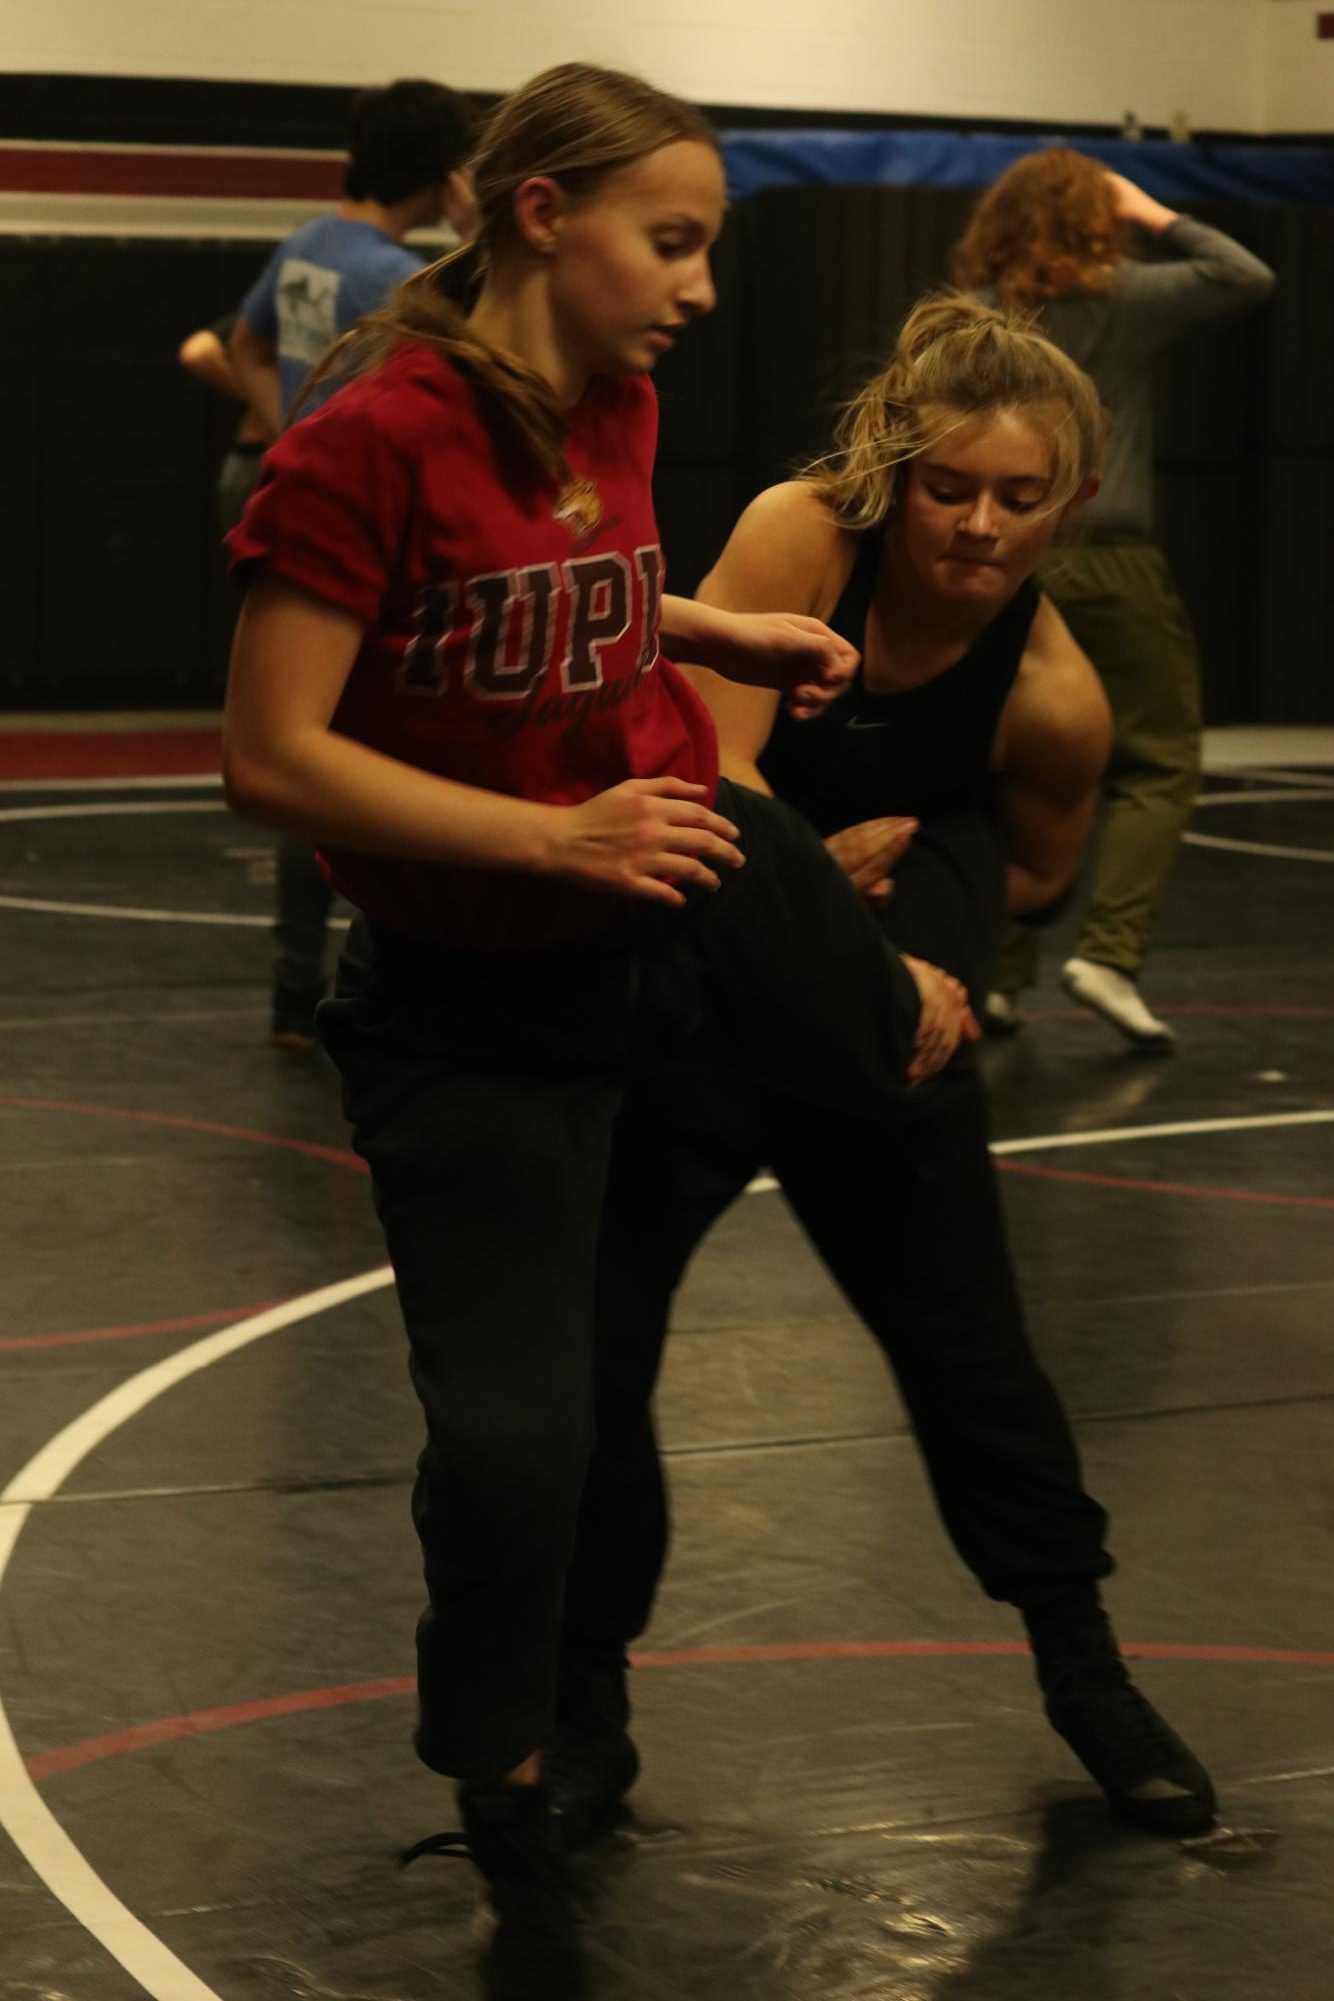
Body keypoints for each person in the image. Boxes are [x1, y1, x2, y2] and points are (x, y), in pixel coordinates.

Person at [222, 64, 973, 2000]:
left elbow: (586, 603)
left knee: (903, 1058)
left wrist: (715, 635)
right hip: (480, 995)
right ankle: (498, 1748)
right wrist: (543, 833)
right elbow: (269, 758)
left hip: (681, 885)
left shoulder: (612, 401)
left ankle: (888, 995)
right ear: (540, 218)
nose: (699, 285)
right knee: (513, 1448)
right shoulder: (362, 443)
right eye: (676, 238)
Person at [550, 295, 1218, 1856]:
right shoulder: (798, 535)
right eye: (948, 489)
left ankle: (1086, 1670)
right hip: (710, 1014)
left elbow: (1038, 883)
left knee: (977, 1366)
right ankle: (582, 1698)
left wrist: (928, 921)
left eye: (1019, 497)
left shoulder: (1054, 694)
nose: (978, 528)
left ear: (1071, 501)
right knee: (591, 1358)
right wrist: (841, 919)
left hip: (880, 1049)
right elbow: (705, 771)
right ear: (890, 473)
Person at [953, 150, 1276, 1049]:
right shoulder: (1127, 299)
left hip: (1002, 556)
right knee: (1160, 758)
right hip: (1109, 557)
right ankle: (1109, 953)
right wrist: (1148, 209)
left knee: (998, 755)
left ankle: (997, 974)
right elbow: (1245, 275)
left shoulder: (978, 316)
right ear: (1099, 220)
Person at [229, 77, 479, 1048]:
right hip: (371, 528)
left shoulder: (304, 242)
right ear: (443, 171)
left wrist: (291, 423)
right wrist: (472, 229)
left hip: (299, 499)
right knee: (336, 753)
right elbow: (489, 354)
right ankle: (348, 980)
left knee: (310, 736)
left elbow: (242, 345)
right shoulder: (389, 277)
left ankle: (297, 984)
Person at [176, 314, 274, 535]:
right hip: (267, 459)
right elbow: (198, 353)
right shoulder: (278, 307)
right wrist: (263, 399)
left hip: (252, 459)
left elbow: (198, 352)